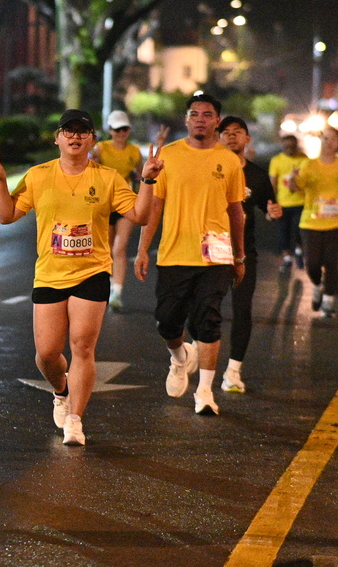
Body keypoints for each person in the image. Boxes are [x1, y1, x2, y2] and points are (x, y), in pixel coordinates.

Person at [0, 110, 164, 445]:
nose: (76, 137)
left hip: (92, 271)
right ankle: (61, 390)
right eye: (68, 131)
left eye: (83, 131)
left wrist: (148, 181)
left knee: (82, 346)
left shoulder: (108, 178)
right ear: (57, 138)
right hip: (50, 275)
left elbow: (139, 215)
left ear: (93, 140)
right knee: (47, 353)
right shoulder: (38, 176)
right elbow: (7, 215)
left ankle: (75, 420)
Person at [134, 92, 246, 416]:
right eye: (194, 114)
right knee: (167, 321)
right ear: (186, 120)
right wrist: (142, 250)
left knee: (208, 320)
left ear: (217, 121)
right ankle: (180, 357)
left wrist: (239, 257)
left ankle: (205, 392)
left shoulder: (229, 160)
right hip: (174, 254)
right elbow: (155, 207)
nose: (200, 119)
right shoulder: (168, 156)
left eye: (207, 114)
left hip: (215, 255)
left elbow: (236, 212)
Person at [217, 116, 282, 393]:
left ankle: (233, 371)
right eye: (226, 132)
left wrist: (273, 212)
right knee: (203, 306)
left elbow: (270, 206)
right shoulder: (210, 168)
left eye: (237, 132)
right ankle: (195, 350)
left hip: (244, 252)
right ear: (219, 137)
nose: (231, 136)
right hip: (210, 248)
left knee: (242, 309)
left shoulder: (256, 175)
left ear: (247, 139)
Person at [290, 125, 338, 317]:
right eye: (325, 138)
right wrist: (293, 179)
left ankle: (328, 301)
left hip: (336, 222)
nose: (329, 142)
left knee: (332, 262)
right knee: (312, 264)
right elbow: (295, 188)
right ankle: (318, 285)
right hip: (310, 222)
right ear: (320, 141)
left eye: (333, 139)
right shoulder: (309, 165)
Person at [90, 110, 144, 311]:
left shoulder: (134, 151)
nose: (121, 133)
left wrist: (143, 199)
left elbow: (143, 177)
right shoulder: (101, 148)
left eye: (124, 129)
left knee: (119, 248)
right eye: (117, 129)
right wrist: (94, 160)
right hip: (104, 204)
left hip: (125, 203)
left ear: (129, 130)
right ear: (110, 130)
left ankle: (117, 292)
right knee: (106, 249)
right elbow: (91, 171)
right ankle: (108, 285)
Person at [268, 135, 308, 269]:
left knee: (299, 230)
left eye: (292, 147)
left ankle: (299, 250)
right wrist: (271, 203)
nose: (289, 149)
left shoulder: (303, 159)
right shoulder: (276, 161)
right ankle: (286, 257)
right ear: (282, 146)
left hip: (301, 202)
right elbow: (273, 183)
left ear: (296, 146)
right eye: (287, 147)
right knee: (283, 231)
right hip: (283, 203)